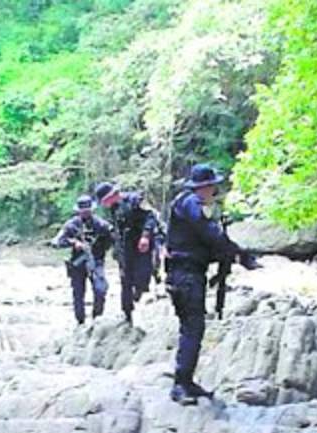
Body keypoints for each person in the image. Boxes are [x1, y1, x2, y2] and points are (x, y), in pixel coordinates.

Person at [164, 163, 259, 405]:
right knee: (192, 327)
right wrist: (240, 254)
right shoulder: (190, 204)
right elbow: (211, 235)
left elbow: (208, 241)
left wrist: (233, 255)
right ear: (202, 187)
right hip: (184, 274)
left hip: (188, 273)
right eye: (210, 186)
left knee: (193, 328)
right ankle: (180, 384)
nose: (213, 190)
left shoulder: (189, 205)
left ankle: (186, 381)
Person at [95, 181, 165, 325]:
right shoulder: (113, 208)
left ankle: (139, 292)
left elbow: (151, 217)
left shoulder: (135, 200)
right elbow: (116, 228)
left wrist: (145, 235)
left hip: (142, 246)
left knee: (143, 277)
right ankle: (127, 314)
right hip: (125, 248)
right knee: (125, 282)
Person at [52, 195, 115, 325]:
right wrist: (73, 243)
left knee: (100, 289)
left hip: (96, 261)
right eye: (83, 210)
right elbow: (56, 242)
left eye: (88, 210)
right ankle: (80, 322)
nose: (86, 212)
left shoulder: (101, 225)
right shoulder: (71, 225)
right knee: (78, 293)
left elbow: (112, 239)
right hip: (77, 263)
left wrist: (100, 249)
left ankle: (97, 319)